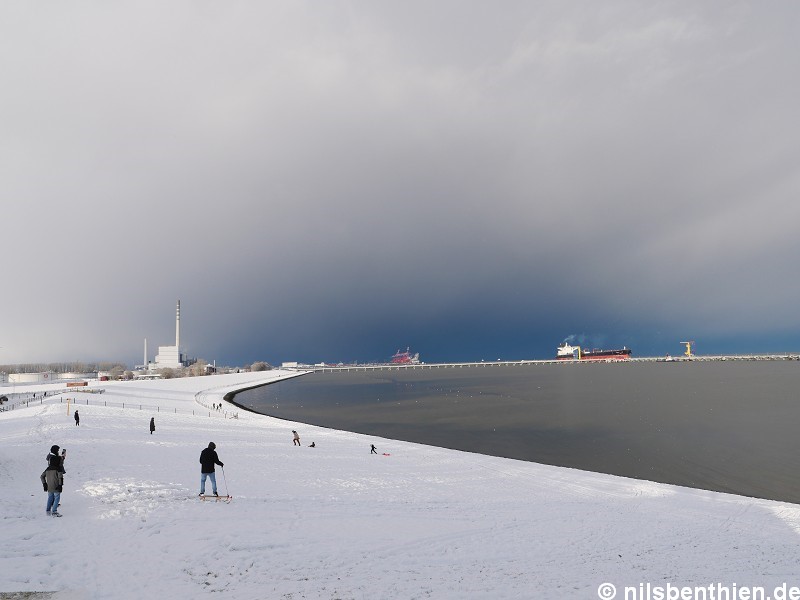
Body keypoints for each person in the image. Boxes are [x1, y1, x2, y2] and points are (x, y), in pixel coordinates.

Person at [41, 445, 66, 516]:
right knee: (57, 497)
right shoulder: (58, 470)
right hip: (56, 486)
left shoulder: (47, 469)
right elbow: (60, 478)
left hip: (49, 486)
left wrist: (44, 484)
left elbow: (41, 476)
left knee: (50, 497)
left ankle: (48, 509)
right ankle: (54, 511)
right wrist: (60, 485)